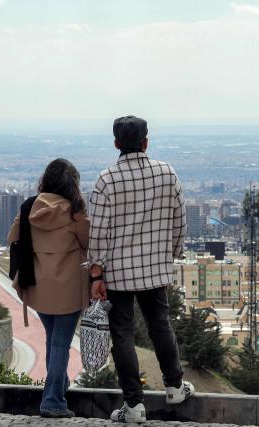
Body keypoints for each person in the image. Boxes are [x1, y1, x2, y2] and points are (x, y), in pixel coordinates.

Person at [87, 115, 194, 423]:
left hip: (117, 272)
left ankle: (134, 406)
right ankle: (174, 386)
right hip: (155, 268)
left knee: (122, 333)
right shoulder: (167, 173)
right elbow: (179, 222)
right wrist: (170, 255)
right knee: (161, 325)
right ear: (146, 142)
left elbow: (98, 233)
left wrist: (96, 273)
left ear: (117, 143)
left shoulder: (106, 179)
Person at [8, 158, 90, 418]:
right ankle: (53, 400)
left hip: (39, 287)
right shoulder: (75, 209)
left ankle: (60, 385)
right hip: (68, 288)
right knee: (60, 344)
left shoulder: (30, 207)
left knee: (54, 340)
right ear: (71, 184)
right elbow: (89, 242)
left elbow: (13, 238)